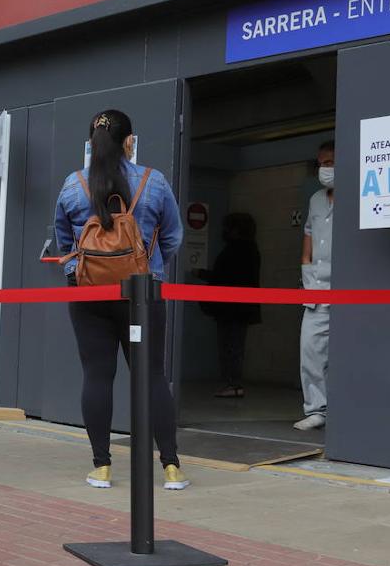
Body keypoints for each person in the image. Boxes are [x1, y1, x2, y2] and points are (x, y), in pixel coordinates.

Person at [55, 109, 188, 491]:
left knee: (97, 374)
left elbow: (66, 242)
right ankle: (171, 467)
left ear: (90, 144)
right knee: (151, 376)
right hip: (142, 290)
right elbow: (173, 236)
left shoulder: (73, 184)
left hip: (89, 292)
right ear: (130, 141)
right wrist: (151, 265)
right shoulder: (154, 181)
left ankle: (101, 467)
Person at [196, 213, 261, 399]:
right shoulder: (252, 249)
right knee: (235, 346)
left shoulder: (235, 250)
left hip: (231, 308)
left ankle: (232, 383)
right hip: (241, 308)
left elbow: (223, 277)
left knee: (229, 347)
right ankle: (233, 383)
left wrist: (201, 274)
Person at [296, 140, 334, 431]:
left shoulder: (361, 195)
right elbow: (308, 231)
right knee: (311, 349)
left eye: (331, 163)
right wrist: (306, 264)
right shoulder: (316, 199)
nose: (326, 169)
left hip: (348, 290)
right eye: (322, 164)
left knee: (342, 352)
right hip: (316, 287)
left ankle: (342, 408)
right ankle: (317, 409)